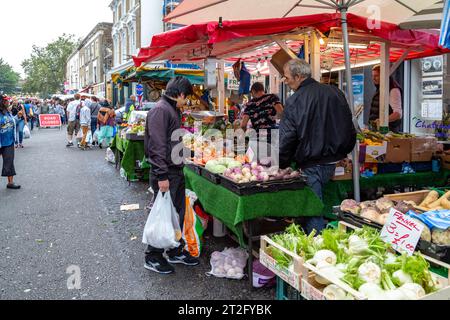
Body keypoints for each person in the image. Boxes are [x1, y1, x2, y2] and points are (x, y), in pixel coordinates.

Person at [280, 59, 356, 234]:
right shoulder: (335, 92)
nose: (286, 81)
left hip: (310, 163)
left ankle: (316, 248)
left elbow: (287, 138)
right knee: (318, 203)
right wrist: (343, 151)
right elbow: (350, 127)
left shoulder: (295, 100)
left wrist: (282, 164)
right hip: (332, 162)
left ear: (298, 76)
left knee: (313, 209)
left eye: (287, 77)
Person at [144, 76, 199, 274]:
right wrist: (161, 176)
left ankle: (175, 249)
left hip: (174, 171)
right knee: (163, 215)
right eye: (187, 98)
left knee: (176, 214)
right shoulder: (161, 110)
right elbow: (157, 145)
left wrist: (190, 154)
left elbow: (172, 142)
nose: (187, 102)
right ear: (181, 94)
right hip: (166, 173)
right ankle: (153, 255)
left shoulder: (171, 109)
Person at [369, 65, 403, 133]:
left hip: (388, 132)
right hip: (377, 132)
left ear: (384, 76)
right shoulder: (380, 89)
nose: (373, 78)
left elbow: (398, 114)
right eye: (372, 76)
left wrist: (382, 120)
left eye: (376, 76)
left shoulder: (393, 90)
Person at [0, 94, 20, 189]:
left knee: (9, 162)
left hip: (9, 141)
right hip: (1, 141)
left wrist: (17, 117)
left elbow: (10, 123)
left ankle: (10, 183)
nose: (8, 102)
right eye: (6, 101)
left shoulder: (8, 112)